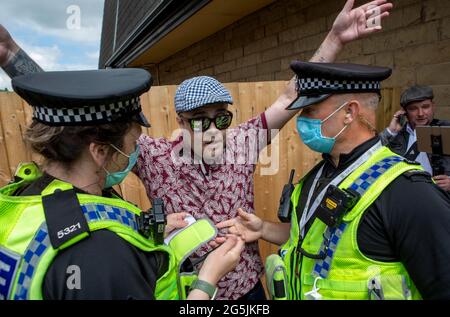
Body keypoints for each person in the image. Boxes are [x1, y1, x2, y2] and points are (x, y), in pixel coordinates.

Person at [0, 0, 393, 299]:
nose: (212, 129)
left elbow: (291, 94)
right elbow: (84, 115)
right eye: (199, 119)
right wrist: (15, 59)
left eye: (221, 117)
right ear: (182, 123)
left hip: (245, 289)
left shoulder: (243, 141)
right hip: (188, 289)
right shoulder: (153, 156)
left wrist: (335, 38)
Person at [0, 68, 244, 300]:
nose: (138, 150)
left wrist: (144, 230)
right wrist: (206, 280)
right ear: (100, 151)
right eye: (134, 142)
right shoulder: (100, 257)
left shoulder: (30, 194)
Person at [217, 61, 450, 300]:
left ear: (349, 112)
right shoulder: (316, 177)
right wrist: (263, 228)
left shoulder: (408, 192)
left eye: (310, 110)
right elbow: (311, 240)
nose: (301, 123)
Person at [380, 85, 450, 192]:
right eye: (413, 109)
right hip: (406, 196)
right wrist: (391, 131)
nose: (421, 114)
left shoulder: (446, 129)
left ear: (433, 106)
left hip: (440, 199)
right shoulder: (396, 135)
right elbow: (372, 157)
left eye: (425, 107)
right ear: (405, 112)